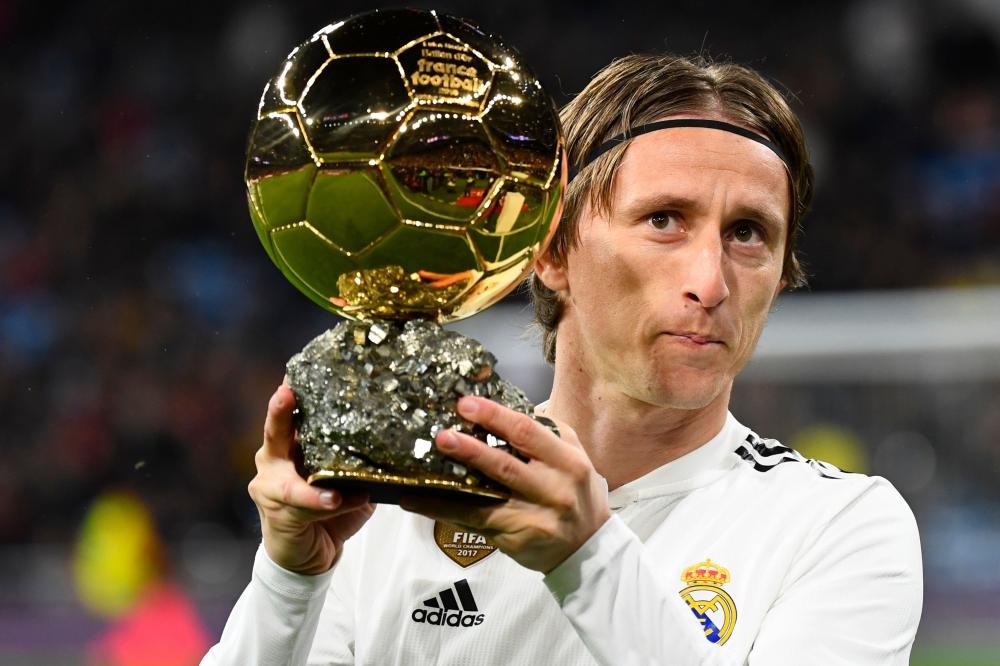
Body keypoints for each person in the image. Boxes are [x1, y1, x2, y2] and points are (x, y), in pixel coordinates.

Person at [203, 53, 923, 665]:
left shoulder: (838, 527)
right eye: (664, 220)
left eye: (747, 233)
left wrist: (588, 556)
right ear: (549, 250)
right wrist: (289, 583)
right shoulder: (393, 510)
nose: (711, 281)